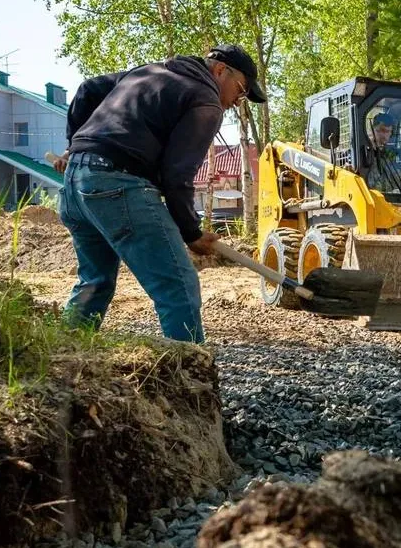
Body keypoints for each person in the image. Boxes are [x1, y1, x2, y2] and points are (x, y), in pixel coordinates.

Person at [53, 44, 266, 343]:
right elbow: (177, 175)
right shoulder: (205, 99)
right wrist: (191, 232)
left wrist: (74, 146)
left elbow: (88, 89)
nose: (237, 102)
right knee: (177, 287)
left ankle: (63, 358)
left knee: (95, 281)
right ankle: (190, 383)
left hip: (76, 184)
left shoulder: (149, 72)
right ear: (220, 70)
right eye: (241, 91)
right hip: (118, 185)